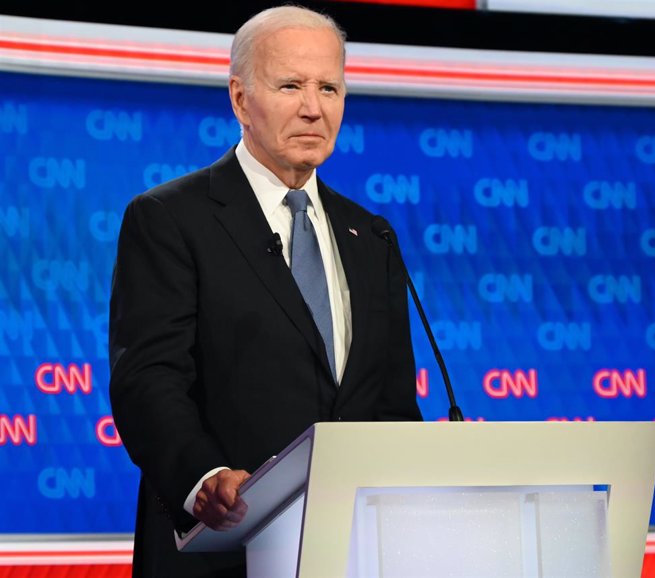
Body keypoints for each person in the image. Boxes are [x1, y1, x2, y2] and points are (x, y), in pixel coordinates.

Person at [109, 4, 422, 577]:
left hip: (352, 552)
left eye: (329, 87)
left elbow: (393, 406)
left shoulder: (370, 234)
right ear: (239, 99)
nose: (313, 107)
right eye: (290, 85)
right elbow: (148, 380)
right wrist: (204, 480)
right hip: (223, 548)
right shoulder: (170, 218)